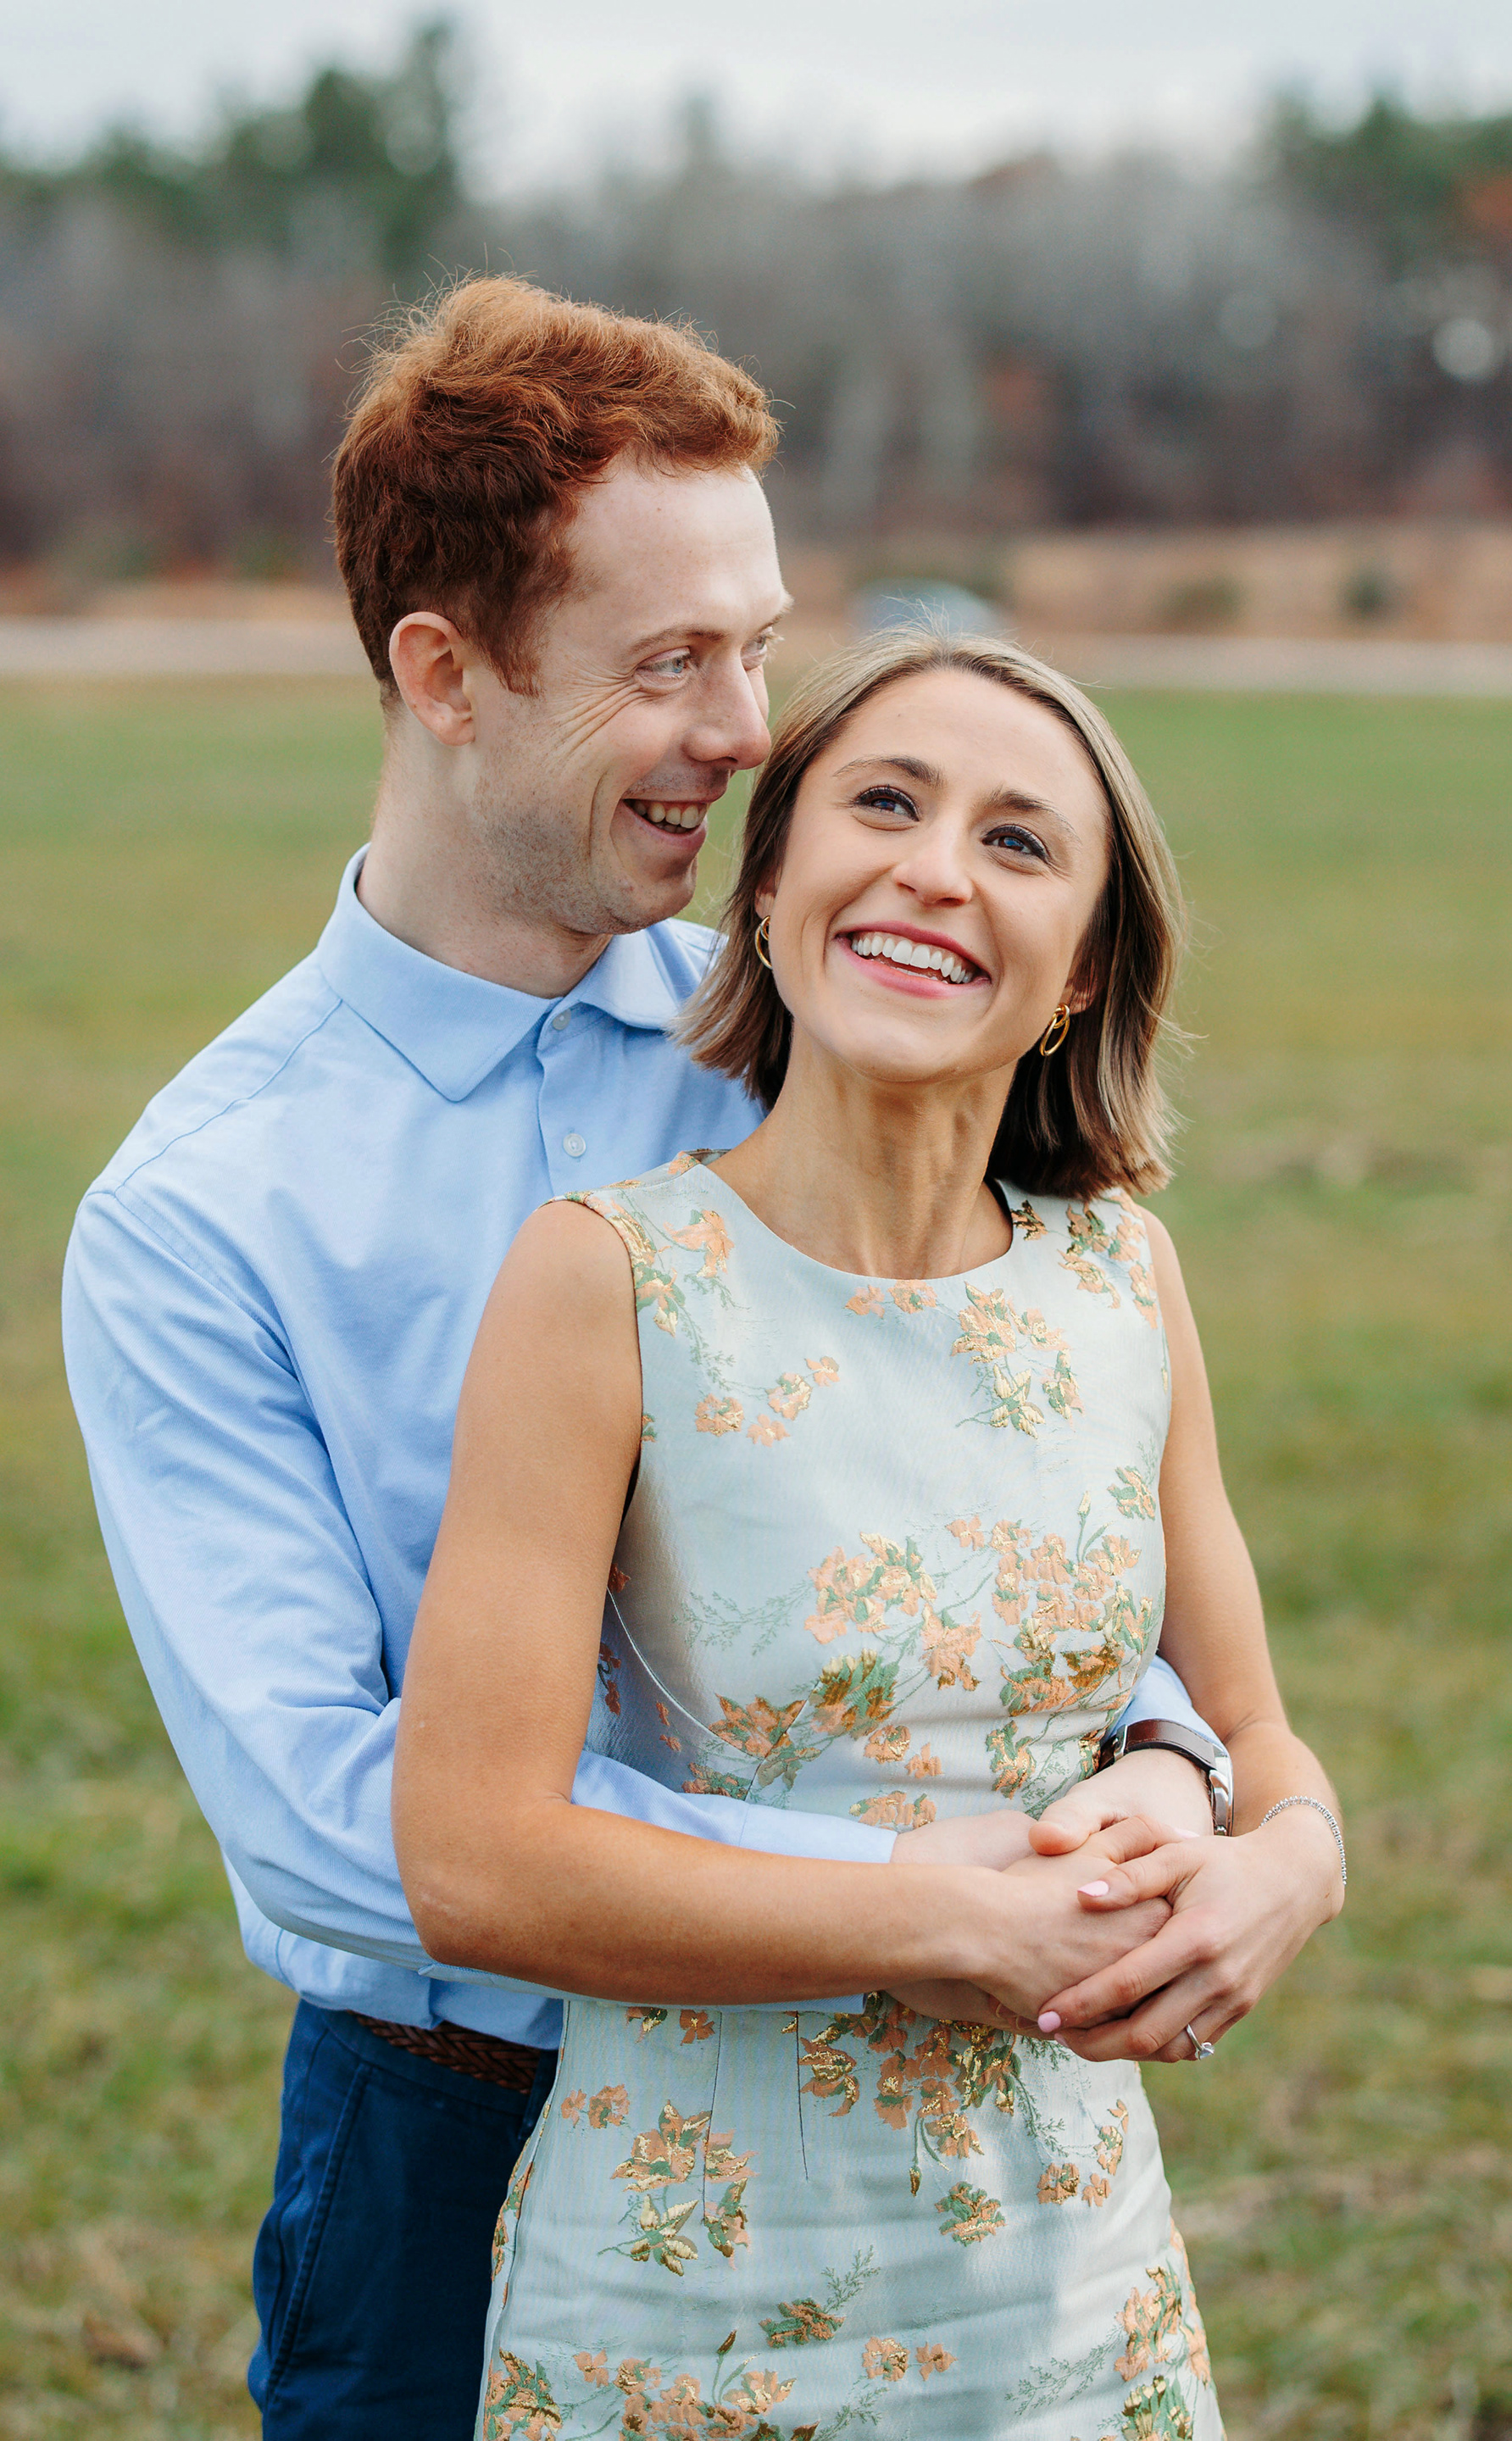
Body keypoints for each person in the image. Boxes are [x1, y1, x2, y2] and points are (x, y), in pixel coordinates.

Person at [62, 279, 1228, 2441]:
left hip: (905, 2106)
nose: (749, 726)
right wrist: (909, 1901)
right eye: (669, 662)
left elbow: (1035, 1486)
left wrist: (1176, 1779)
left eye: (763, 644)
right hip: (451, 2115)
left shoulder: (820, 1034)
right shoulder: (201, 1214)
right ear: (447, 674)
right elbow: (337, 1822)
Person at [392, 628, 1348, 2438]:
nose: (934, 867)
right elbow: (474, 1859)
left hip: (1075, 2291)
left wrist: (1287, 1867)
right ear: (771, 895)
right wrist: (913, 1921)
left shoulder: (1126, 1284)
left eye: (1017, 840)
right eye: (886, 803)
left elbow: (1259, 1735)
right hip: (697, 2297)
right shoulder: (609, 1278)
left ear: (1076, 973)